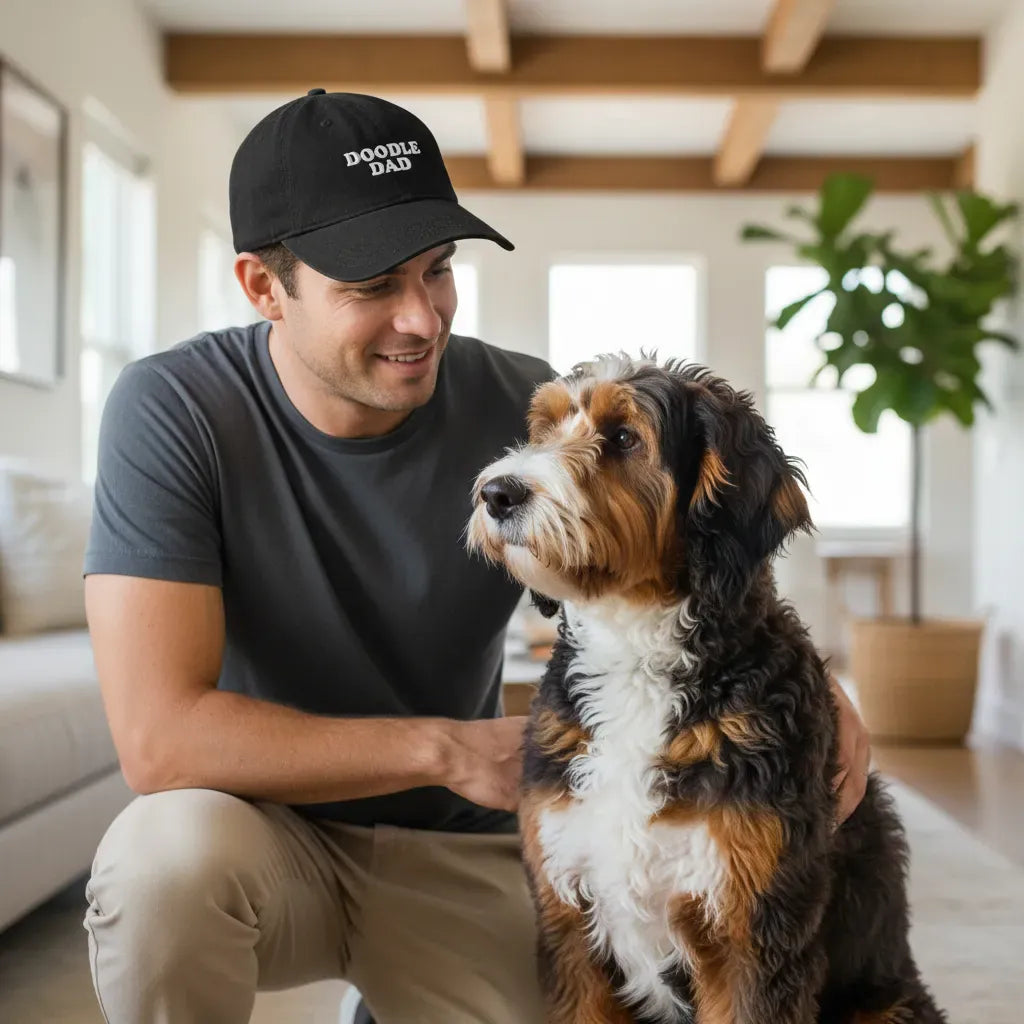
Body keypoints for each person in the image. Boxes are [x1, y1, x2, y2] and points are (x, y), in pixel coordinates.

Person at [82, 91, 871, 1024]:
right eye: (373, 287)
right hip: (259, 835)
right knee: (158, 866)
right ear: (263, 286)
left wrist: (813, 695)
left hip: (457, 855)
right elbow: (160, 739)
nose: (421, 319)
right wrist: (447, 749)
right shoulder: (173, 408)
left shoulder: (526, 407)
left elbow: (686, 560)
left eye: (439, 270)